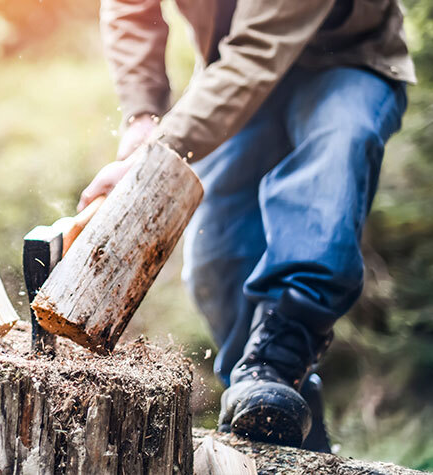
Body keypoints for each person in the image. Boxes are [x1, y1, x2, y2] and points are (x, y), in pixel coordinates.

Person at [77, 0, 415, 452]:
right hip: (231, 71)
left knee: (331, 164)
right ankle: (271, 397)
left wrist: (160, 148)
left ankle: (280, 355)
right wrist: (143, 114)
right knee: (217, 256)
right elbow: (130, 7)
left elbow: (259, 49)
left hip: (348, 59)